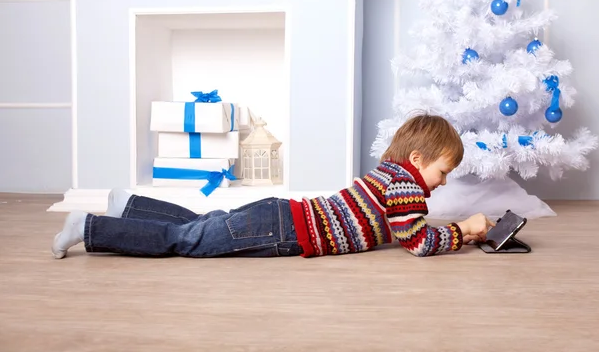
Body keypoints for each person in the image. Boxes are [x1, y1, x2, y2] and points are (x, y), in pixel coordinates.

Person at [52, 114, 495, 260]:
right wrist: (464, 230)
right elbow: (415, 240)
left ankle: (127, 205)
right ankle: (90, 228)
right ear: (417, 161)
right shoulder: (407, 187)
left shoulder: (390, 174)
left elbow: (404, 226)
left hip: (281, 214)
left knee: (201, 223)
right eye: (443, 171)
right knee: (184, 241)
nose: (442, 182)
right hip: (281, 231)